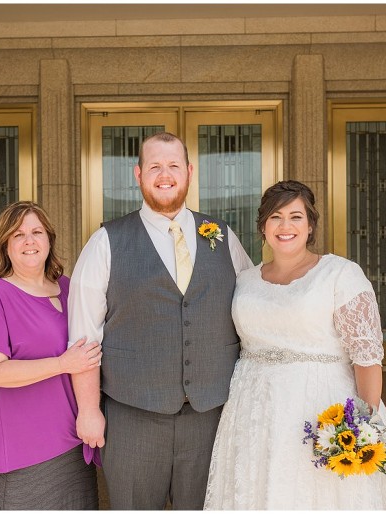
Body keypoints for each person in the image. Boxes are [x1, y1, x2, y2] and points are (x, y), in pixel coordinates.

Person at [204, 180, 386, 510]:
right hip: (251, 410)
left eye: (296, 217)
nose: (285, 226)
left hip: (320, 407)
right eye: (275, 217)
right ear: (263, 226)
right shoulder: (245, 279)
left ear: (310, 225)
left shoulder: (340, 274)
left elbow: (367, 357)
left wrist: (362, 425)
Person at [68, 132, 254, 509]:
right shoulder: (105, 242)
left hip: (210, 417)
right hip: (133, 416)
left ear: (188, 172)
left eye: (173, 166)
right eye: (154, 166)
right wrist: (88, 411)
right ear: (138, 174)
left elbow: (251, 315)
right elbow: (84, 339)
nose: (164, 174)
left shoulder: (222, 236)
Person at [0, 200, 102, 510]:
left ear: (49, 239)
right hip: (19, 445)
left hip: (72, 435)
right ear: (5, 246)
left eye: (37, 232)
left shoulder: (70, 289)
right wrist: (62, 364)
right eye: (18, 234)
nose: (29, 241)